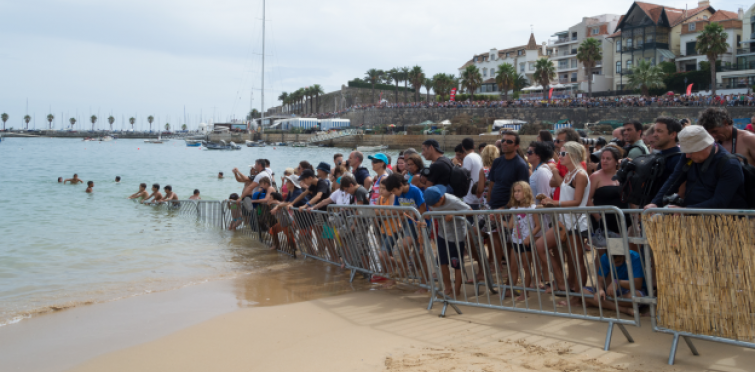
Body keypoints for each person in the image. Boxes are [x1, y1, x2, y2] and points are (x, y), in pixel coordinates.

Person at [646, 126, 747, 209]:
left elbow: (720, 201)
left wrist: (685, 210)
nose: (687, 156)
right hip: (695, 220)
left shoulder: (730, 165)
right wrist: (655, 202)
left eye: (690, 151)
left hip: (726, 224)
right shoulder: (688, 157)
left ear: (705, 146)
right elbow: (674, 179)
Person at [536, 141, 591, 294]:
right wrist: (549, 200)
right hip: (565, 221)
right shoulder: (569, 173)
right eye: (560, 153)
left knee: (577, 260)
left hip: (576, 223)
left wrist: (554, 202)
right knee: (540, 246)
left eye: (563, 153)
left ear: (573, 155)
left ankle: (578, 294)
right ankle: (561, 281)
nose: (559, 157)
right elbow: (565, 193)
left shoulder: (580, 174)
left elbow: (577, 201)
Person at [423, 185, 471, 296]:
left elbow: (470, 211)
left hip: (456, 236)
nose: (433, 207)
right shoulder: (431, 202)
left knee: (457, 264)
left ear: (440, 199)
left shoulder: (453, 201)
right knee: (442, 262)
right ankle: (447, 287)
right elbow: (428, 216)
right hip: (442, 234)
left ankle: (457, 289)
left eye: (434, 205)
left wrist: (454, 214)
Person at [573, 250, 646, 316]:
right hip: (613, 292)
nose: (615, 264)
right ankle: (624, 309)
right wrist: (600, 290)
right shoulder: (604, 258)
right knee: (582, 292)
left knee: (634, 297)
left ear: (624, 255)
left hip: (630, 291)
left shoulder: (635, 257)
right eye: (612, 262)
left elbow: (637, 285)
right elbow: (600, 280)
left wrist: (618, 282)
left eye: (618, 262)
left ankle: (600, 303)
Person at [505, 181, 541, 301]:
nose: (516, 193)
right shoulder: (514, 208)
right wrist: (497, 219)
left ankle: (525, 293)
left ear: (526, 192)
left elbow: (538, 226)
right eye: (515, 191)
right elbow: (510, 225)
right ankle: (510, 289)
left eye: (519, 191)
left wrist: (529, 237)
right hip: (515, 241)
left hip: (526, 241)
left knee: (526, 266)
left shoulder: (532, 207)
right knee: (513, 267)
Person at [644, 117, 684, 208]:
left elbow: (681, 190)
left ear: (673, 135)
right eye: (654, 131)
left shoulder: (678, 158)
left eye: (659, 131)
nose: (654, 134)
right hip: (651, 208)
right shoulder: (658, 156)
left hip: (665, 212)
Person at [586, 145, 626, 233]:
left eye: (608, 159)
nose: (604, 161)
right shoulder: (595, 176)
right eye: (603, 158)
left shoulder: (623, 175)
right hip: (603, 222)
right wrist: (597, 217)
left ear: (616, 161)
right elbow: (587, 198)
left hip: (622, 220)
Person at [488, 131, 529, 210]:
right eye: (503, 140)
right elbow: (491, 185)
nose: (504, 143)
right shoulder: (497, 162)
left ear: (516, 146)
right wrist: (489, 203)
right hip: (493, 208)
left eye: (509, 142)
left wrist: (504, 208)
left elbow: (523, 192)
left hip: (509, 211)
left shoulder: (521, 165)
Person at [549, 128, 582, 200]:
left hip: (568, 208)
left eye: (558, 141)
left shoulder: (579, 163)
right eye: (555, 141)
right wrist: (562, 180)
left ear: (569, 142)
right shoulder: (562, 161)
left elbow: (567, 187)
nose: (555, 144)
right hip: (559, 207)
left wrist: (555, 173)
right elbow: (551, 183)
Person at [460, 137, 485, 208]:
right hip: (479, 196)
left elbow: (464, 176)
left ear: (463, 148)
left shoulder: (468, 158)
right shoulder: (478, 157)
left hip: (470, 197)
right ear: (474, 146)